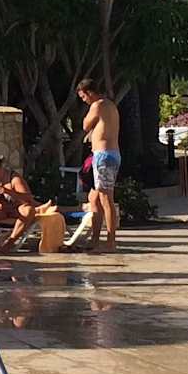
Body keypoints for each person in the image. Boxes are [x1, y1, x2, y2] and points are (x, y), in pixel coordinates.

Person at [76, 78, 122, 253]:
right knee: (94, 198)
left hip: (104, 156)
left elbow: (85, 125)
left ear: (89, 93)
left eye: (83, 97)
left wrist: (88, 117)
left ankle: (111, 241)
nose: (84, 101)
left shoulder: (97, 105)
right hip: (109, 154)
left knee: (106, 198)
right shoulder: (110, 105)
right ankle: (95, 239)